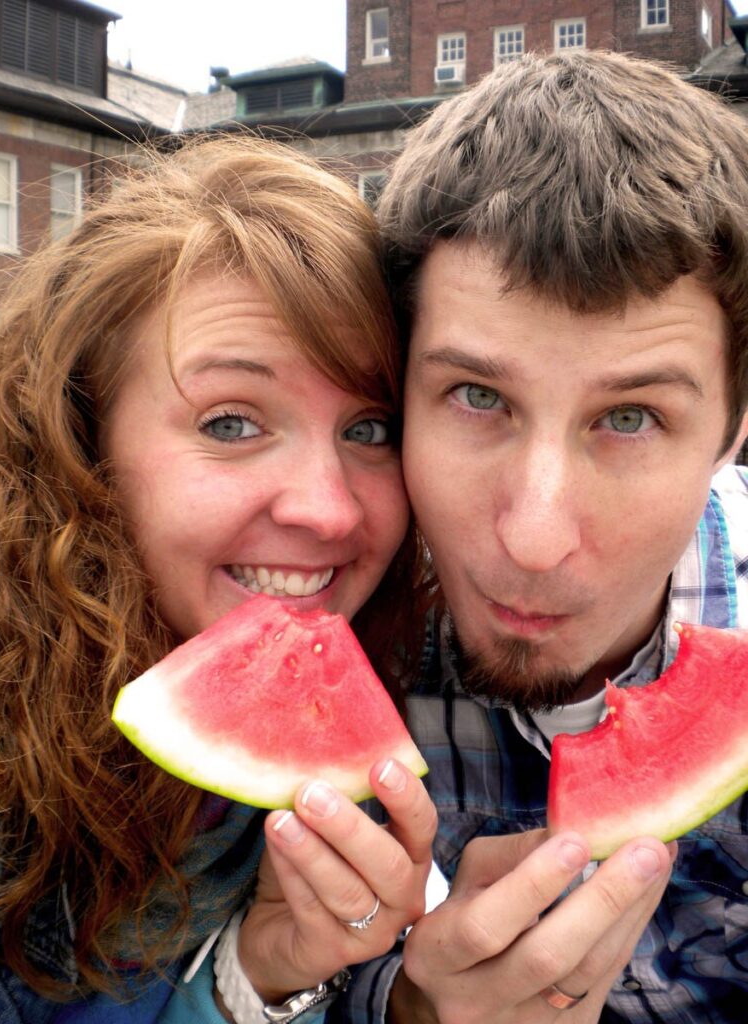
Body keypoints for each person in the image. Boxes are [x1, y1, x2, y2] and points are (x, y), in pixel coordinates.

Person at [246, 50, 748, 1023]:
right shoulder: (322, 610)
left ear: (733, 427)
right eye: (477, 397)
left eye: (632, 416)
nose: (533, 538)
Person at [0, 135, 438, 1023]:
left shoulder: (396, 681)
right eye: (231, 424)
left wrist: (257, 977)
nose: (330, 512)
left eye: (371, 428)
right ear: (78, 440)